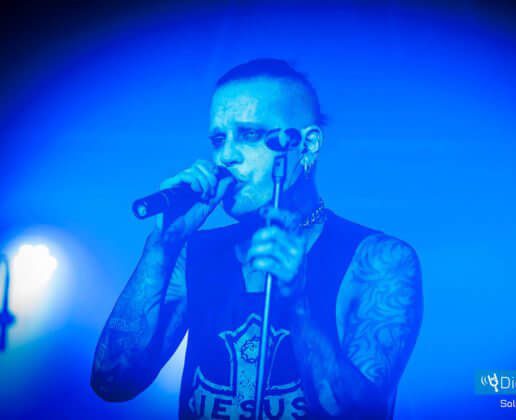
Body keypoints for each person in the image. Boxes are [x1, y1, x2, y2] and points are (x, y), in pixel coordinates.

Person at [91, 58, 423, 419]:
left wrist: (297, 305)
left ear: (308, 144)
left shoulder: (379, 260)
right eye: (218, 139)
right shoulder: (195, 253)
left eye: (249, 135)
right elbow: (111, 379)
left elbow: (361, 415)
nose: (226, 156)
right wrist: (162, 245)